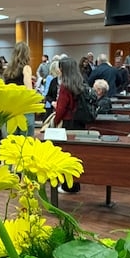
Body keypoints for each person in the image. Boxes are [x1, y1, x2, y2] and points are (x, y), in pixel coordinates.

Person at [53, 57, 84, 193]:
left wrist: (55, 122)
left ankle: (69, 185)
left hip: (68, 123)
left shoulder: (65, 86)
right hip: (80, 122)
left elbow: (61, 108)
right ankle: (76, 184)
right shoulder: (81, 83)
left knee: (67, 155)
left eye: (60, 68)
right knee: (78, 154)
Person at [3, 41, 35, 136]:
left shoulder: (7, 71)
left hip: (10, 109)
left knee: (12, 140)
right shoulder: (26, 68)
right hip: (24, 109)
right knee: (25, 141)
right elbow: (28, 89)